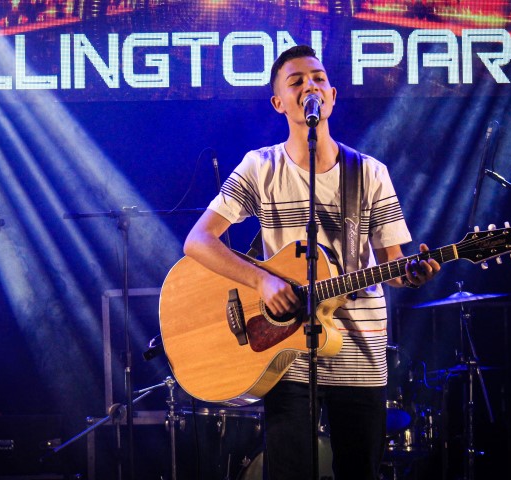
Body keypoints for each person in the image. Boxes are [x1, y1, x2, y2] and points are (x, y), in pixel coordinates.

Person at [182, 45, 441, 479]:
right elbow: (198, 241)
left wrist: (411, 274)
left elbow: (393, 262)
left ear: (333, 96)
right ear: (278, 103)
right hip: (286, 353)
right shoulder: (260, 167)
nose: (311, 87)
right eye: (297, 81)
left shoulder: (370, 172)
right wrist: (262, 282)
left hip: (360, 353)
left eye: (319, 79)